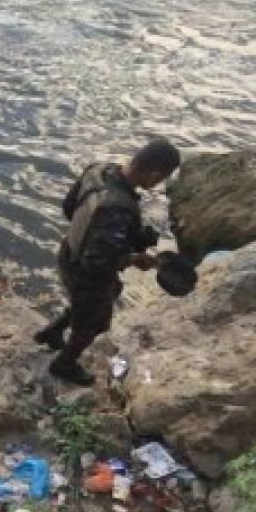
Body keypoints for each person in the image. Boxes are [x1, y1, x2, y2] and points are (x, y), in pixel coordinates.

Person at [34, 139, 181, 386]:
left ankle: (53, 332)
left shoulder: (98, 170)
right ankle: (64, 363)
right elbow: (98, 263)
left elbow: (69, 208)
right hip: (86, 275)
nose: (160, 184)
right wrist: (134, 259)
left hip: (69, 252)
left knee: (112, 291)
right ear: (155, 173)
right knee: (93, 323)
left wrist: (117, 235)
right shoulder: (119, 209)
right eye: (162, 178)